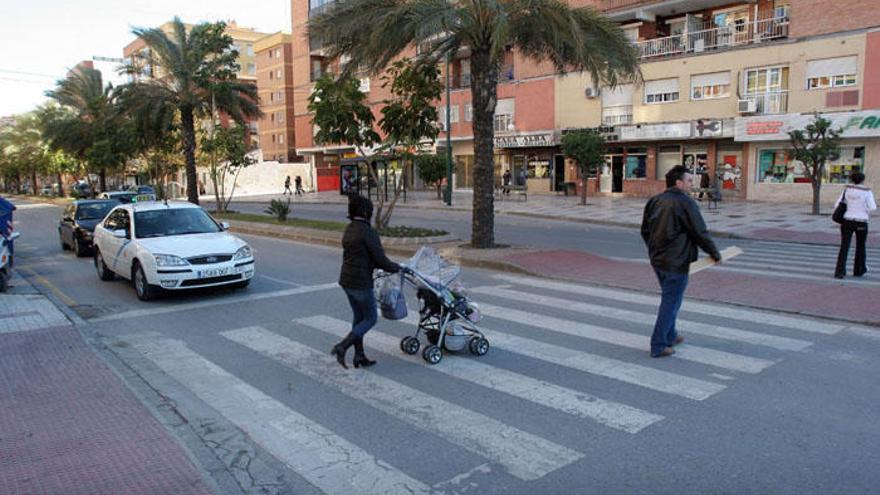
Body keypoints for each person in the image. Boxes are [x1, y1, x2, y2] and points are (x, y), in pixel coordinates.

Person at [641, 165, 722, 358]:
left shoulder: (655, 201)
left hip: (658, 260)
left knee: (672, 298)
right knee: (671, 301)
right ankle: (659, 344)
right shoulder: (686, 203)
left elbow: (645, 231)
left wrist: (653, 250)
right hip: (677, 262)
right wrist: (715, 253)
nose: (691, 184)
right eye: (689, 180)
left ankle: (670, 334)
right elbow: (700, 232)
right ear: (678, 182)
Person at [331, 195, 405, 369]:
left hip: (346, 281)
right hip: (360, 282)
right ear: (366, 212)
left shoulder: (350, 228)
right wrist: (397, 267)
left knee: (359, 318)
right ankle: (343, 346)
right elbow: (380, 260)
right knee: (370, 318)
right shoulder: (367, 232)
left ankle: (359, 355)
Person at [834, 172, 877, 279]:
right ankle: (859, 269)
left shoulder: (847, 190)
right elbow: (872, 207)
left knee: (844, 246)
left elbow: (837, 204)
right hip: (861, 221)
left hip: (847, 221)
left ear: (852, 180)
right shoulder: (867, 192)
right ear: (863, 180)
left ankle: (840, 271)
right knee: (861, 246)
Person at [0, 195, 15, 263]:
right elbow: (12, 207)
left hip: (4, 219)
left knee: (7, 237)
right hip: (5, 218)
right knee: (8, 237)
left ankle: (9, 254)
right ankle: (10, 254)